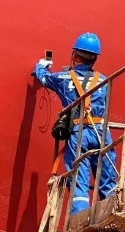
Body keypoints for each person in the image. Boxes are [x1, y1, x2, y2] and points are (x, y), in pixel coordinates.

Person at [33, 33, 117, 215]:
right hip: (102, 133)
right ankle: (111, 217)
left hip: (79, 133)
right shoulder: (104, 80)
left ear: (75, 55)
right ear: (94, 58)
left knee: (79, 181)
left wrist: (40, 66)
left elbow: (45, 78)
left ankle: (78, 220)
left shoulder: (64, 78)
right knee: (108, 180)